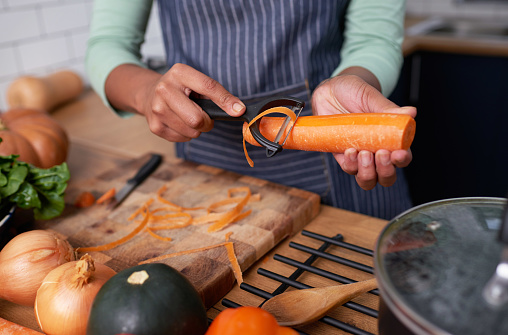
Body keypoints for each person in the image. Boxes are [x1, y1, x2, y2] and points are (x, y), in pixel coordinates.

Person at [86, 0, 417, 220]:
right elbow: (107, 44)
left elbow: (373, 38)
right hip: (206, 169)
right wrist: (146, 93)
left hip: (340, 154)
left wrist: (352, 80)